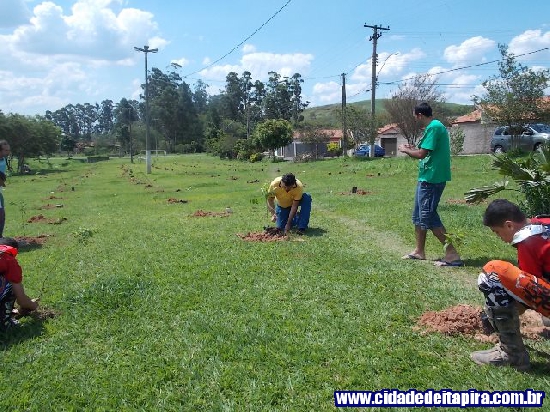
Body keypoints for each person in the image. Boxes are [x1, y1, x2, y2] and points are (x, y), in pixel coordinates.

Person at [470, 199, 550, 370]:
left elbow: (528, 295)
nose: (499, 238)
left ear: (509, 225)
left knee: (492, 273)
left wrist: (496, 317)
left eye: (497, 232)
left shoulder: (528, 241)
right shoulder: (544, 222)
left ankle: (512, 354)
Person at [398, 102, 462, 267]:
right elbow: (427, 151)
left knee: (429, 216)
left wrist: (405, 150)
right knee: (418, 216)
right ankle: (419, 251)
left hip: (432, 179)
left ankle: (452, 254)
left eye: (415, 116)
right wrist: (412, 148)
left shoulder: (434, 127)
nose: (415, 119)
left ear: (419, 115)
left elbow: (421, 154)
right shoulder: (434, 127)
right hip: (427, 177)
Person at [0, 237, 39, 331]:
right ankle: (4, 323)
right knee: (10, 286)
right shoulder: (9, 260)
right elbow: (21, 301)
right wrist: (32, 305)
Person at [0, 140, 11, 237]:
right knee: (1, 214)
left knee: (2, 214)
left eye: (9, 150)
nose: (8, 152)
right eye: (6, 150)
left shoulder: (3, 159)